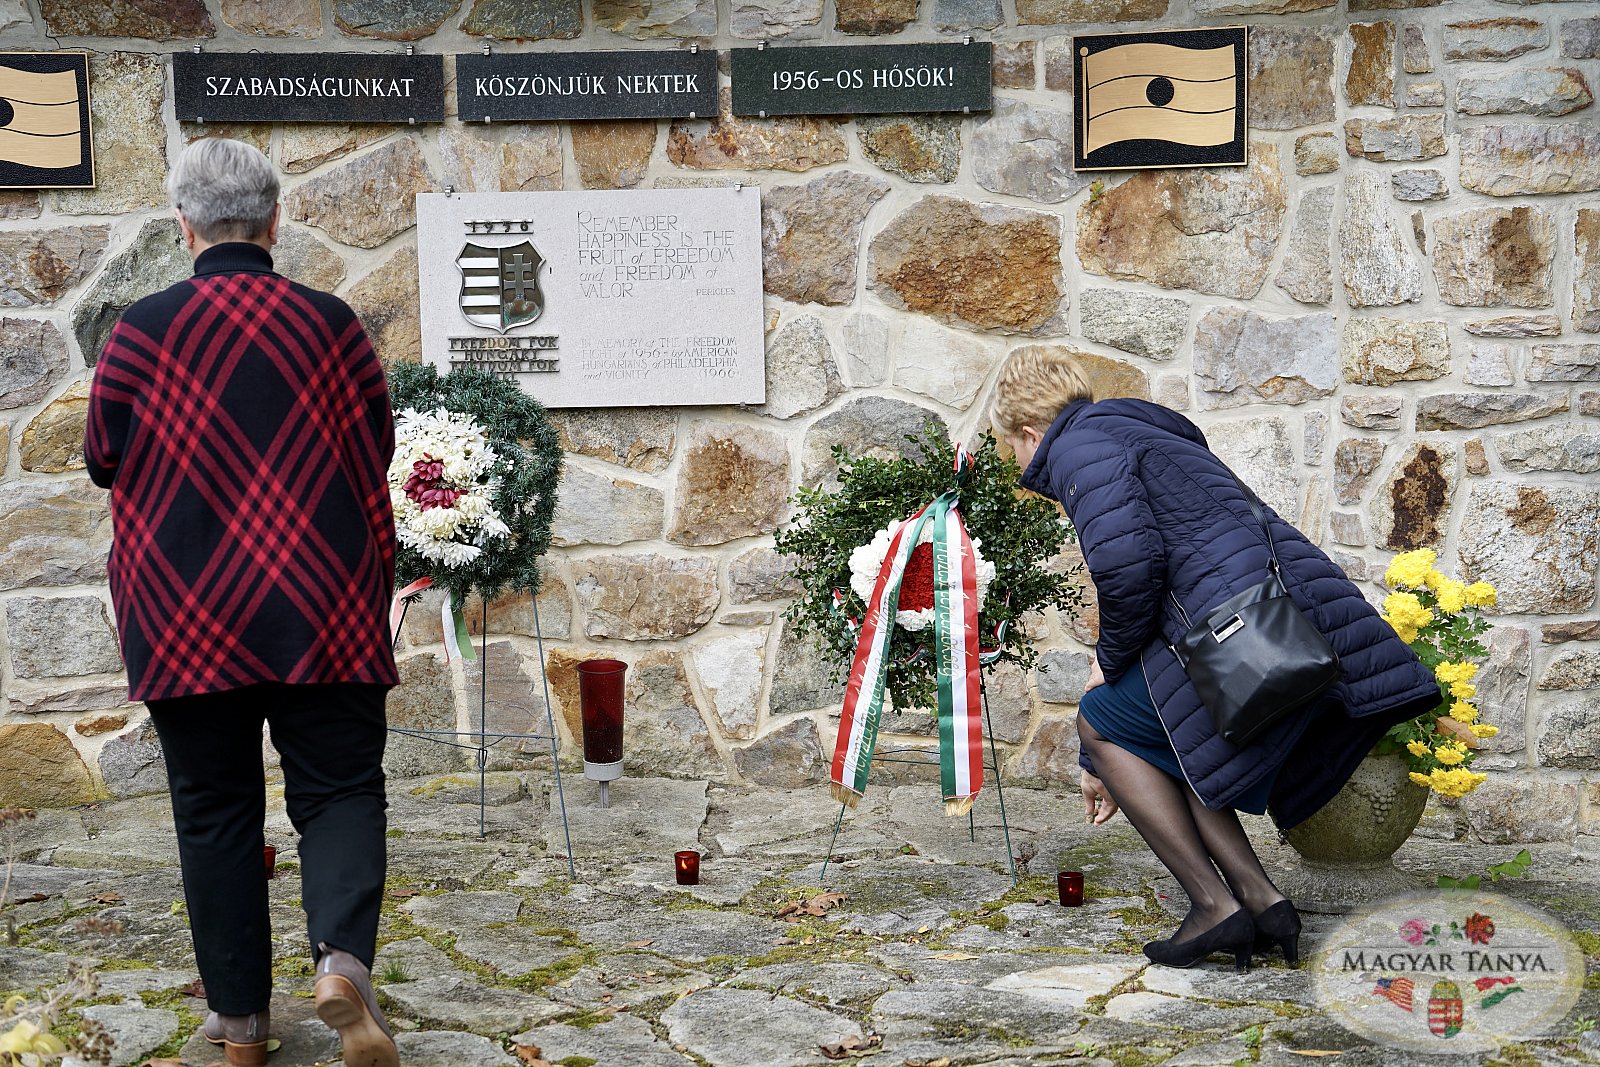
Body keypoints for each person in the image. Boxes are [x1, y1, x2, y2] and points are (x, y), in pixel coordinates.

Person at [84, 138, 400, 1067]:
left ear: (183, 225)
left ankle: (242, 1028)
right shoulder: (332, 325)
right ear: (274, 218)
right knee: (339, 789)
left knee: (214, 807)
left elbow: (103, 456)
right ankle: (341, 962)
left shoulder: (140, 331)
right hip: (324, 604)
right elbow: (377, 444)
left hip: (187, 614)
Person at [992, 348, 1440, 972]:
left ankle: (1213, 905)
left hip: (1236, 630)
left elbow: (1129, 570)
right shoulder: (1136, 428)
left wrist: (1108, 663)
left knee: (1098, 721)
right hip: (1270, 612)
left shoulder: (1077, 450)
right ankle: (1263, 902)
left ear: (1031, 433)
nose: (1020, 465)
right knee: (1179, 736)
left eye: (1013, 450)